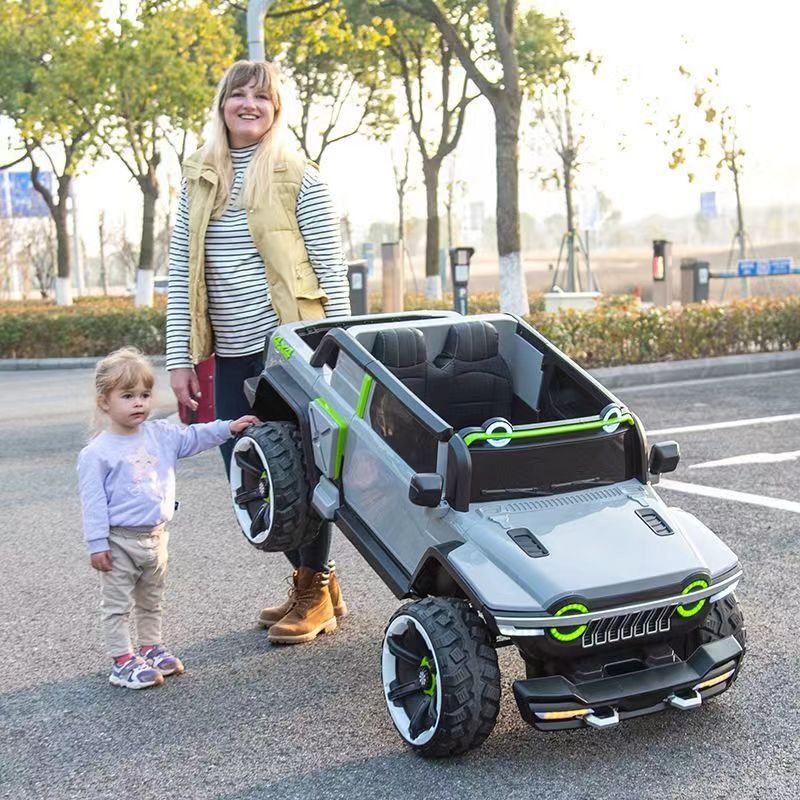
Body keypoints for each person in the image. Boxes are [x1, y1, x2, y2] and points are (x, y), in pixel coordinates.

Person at [165, 60, 351, 645]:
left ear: (276, 110)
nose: (249, 104)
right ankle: (314, 579)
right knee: (249, 473)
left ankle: (313, 591)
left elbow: (331, 269)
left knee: (296, 469)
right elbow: (181, 274)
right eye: (237, 95)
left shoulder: (298, 176)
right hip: (231, 353)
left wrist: (341, 352)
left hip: (291, 351)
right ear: (222, 105)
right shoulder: (198, 177)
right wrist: (179, 359)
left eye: (261, 97)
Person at [78, 347, 259, 689]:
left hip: (156, 537)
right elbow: (92, 501)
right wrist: (97, 543)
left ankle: (150, 647)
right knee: (117, 605)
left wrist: (229, 427)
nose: (139, 403)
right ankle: (121, 660)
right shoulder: (97, 453)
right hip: (119, 541)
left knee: (151, 599)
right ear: (105, 402)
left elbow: (195, 436)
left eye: (145, 395)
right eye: (127, 396)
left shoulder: (160, 434)